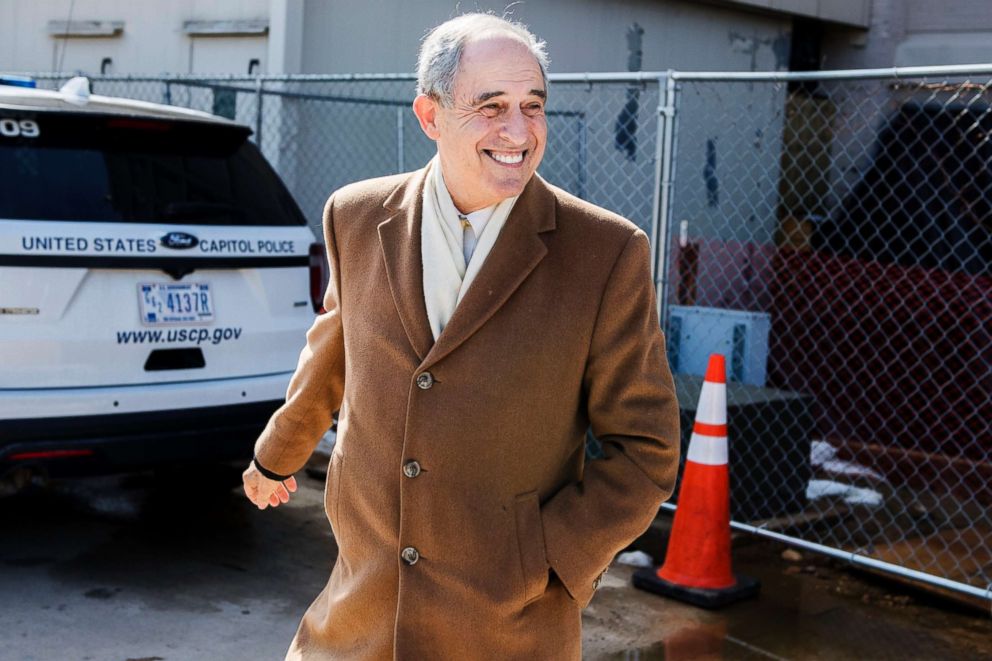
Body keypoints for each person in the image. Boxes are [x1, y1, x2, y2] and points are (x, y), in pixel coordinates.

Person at [242, 12, 680, 660]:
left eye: (533, 106)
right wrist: (277, 451)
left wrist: (551, 558)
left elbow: (647, 447)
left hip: (509, 631)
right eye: (491, 106)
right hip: (357, 622)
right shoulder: (357, 216)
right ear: (430, 114)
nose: (518, 131)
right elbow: (332, 354)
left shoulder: (605, 252)